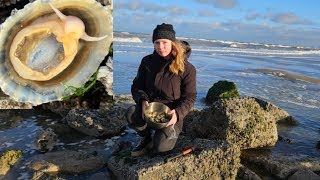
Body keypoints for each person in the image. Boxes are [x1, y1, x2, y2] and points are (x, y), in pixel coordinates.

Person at [126, 23, 197, 157]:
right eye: (157, 42)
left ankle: (163, 136)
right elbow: (137, 86)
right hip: (150, 110)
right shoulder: (147, 61)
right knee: (130, 113)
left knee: (161, 148)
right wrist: (142, 101)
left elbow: (190, 96)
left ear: (172, 43)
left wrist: (177, 114)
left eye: (164, 42)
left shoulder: (187, 68)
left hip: (171, 114)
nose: (160, 47)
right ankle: (146, 137)